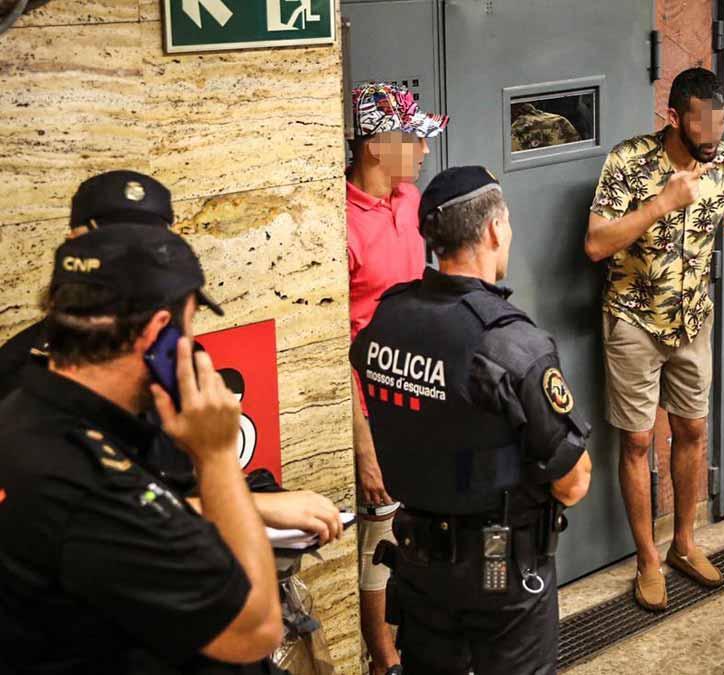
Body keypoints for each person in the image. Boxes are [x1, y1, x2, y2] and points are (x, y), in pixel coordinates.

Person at [0, 225, 284, 672]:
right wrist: (218, 455)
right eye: (187, 329)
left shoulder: (25, 411)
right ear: (158, 336)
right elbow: (255, 627)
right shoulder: (88, 477)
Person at [0, 170, 344, 540]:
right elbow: (91, 516)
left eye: (152, 247)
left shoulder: (179, 354)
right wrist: (250, 506)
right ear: (76, 250)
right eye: (115, 244)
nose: (135, 265)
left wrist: (251, 494)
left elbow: (186, 478)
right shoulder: (20, 377)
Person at [351, 166, 593, 674]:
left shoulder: (387, 320)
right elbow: (573, 482)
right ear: (492, 230)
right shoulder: (509, 344)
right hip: (496, 569)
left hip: (420, 567)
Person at [586, 66, 724, 611]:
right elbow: (596, 245)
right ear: (674, 117)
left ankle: (684, 544)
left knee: (692, 429)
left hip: (694, 321)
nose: (713, 137)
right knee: (638, 441)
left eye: (721, 123)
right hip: (633, 322)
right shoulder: (628, 161)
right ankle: (647, 558)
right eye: (702, 125)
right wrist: (660, 205)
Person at [346, 81, 448, 675]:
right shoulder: (340, 221)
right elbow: (334, 342)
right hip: (372, 406)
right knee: (377, 535)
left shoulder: (410, 202)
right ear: (375, 147)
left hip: (421, 392)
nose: (424, 150)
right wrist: (364, 445)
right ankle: (382, 662)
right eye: (413, 138)